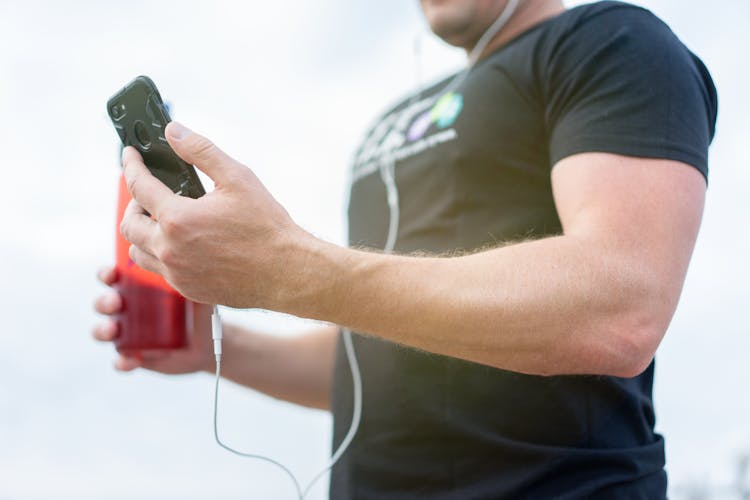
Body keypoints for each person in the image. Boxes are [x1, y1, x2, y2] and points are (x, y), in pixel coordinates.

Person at [93, 0, 717, 497]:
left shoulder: (611, 40)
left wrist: (283, 268)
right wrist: (220, 351)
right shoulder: (390, 119)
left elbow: (618, 306)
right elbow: (375, 359)